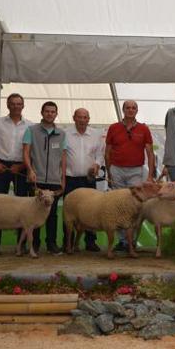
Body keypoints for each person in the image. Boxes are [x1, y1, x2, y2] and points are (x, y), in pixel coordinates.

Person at [105, 100, 156, 253]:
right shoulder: (113, 128)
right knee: (118, 206)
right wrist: (109, 172)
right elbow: (107, 152)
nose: (130, 110)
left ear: (137, 111)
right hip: (117, 171)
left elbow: (150, 153)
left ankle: (132, 240)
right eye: (128, 107)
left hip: (136, 171)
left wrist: (150, 176)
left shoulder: (144, 129)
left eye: (133, 108)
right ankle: (122, 241)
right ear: (123, 110)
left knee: (134, 206)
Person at [0, 93, 33, 251]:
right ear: (7, 105)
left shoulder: (30, 125)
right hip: (1, 166)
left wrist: (21, 166)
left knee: (23, 206)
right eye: (12, 103)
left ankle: (20, 246)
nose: (16, 106)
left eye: (19, 103)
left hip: (21, 167)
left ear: (23, 105)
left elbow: (31, 151)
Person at [22, 101, 67, 255]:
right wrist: (30, 169)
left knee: (52, 214)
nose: (50, 114)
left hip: (54, 180)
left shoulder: (62, 134)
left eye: (53, 111)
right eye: (47, 111)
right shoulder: (31, 130)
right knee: (33, 214)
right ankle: (34, 244)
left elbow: (63, 157)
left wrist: (63, 179)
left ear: (56, 114)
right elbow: (26, 152)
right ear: (42, 113)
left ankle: (52, 244)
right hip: (37, 179)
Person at [65, 108, 104, 253]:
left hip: (88, 179)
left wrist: (97, 165)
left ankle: (90, 242)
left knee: (92, 211)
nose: (82, 120)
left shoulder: (96, 134)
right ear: (74, 118)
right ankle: (67, 243)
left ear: (89, 119)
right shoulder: (65, 134)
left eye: (85, 117)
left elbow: (100, 154)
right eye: (79, 117)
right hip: (70, 179)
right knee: (69, 213)